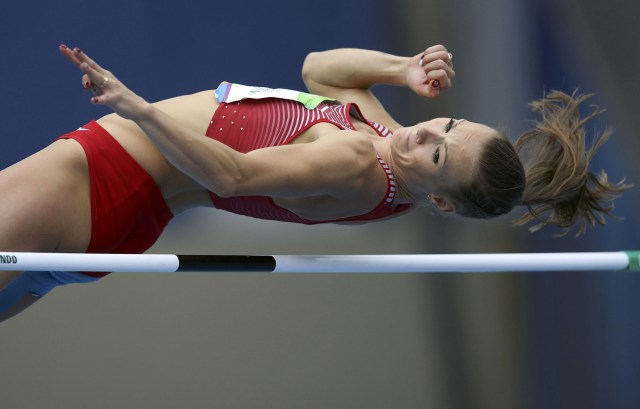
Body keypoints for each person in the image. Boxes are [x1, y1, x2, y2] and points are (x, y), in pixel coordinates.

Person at [0, 44, 629, 322]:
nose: (423, 135)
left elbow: (232, 172)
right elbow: (319, 70)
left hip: (104, 177)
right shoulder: (386, 155)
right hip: (124, 213)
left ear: (439, 198)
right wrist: (403, 68)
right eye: (447, 125)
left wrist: (138, 108)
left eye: (438, 156)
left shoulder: (355, 164)